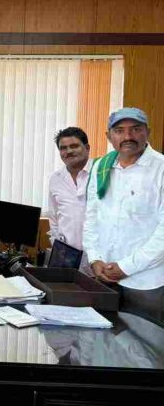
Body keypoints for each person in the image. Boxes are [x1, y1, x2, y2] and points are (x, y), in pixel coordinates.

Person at [83, 107, 164, 322]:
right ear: (109, 136)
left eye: (135, 129)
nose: (128, 136)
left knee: (146, 341)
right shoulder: (101, 166)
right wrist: (94, 258)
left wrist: (126, 267)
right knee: (103, 338)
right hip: (104, 277)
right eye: (119, 130)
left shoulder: (161, 168)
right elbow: (91, 217)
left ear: (148, 132)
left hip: (146, 284)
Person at [47, 127, 93, 274]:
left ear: (87, 148)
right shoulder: (56, 179)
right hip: (68, 258)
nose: (68, 151)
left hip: (99, 258)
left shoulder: (101, 174)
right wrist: (57, 244)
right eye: (63, 148)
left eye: (74, 146)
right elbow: (54, 217)